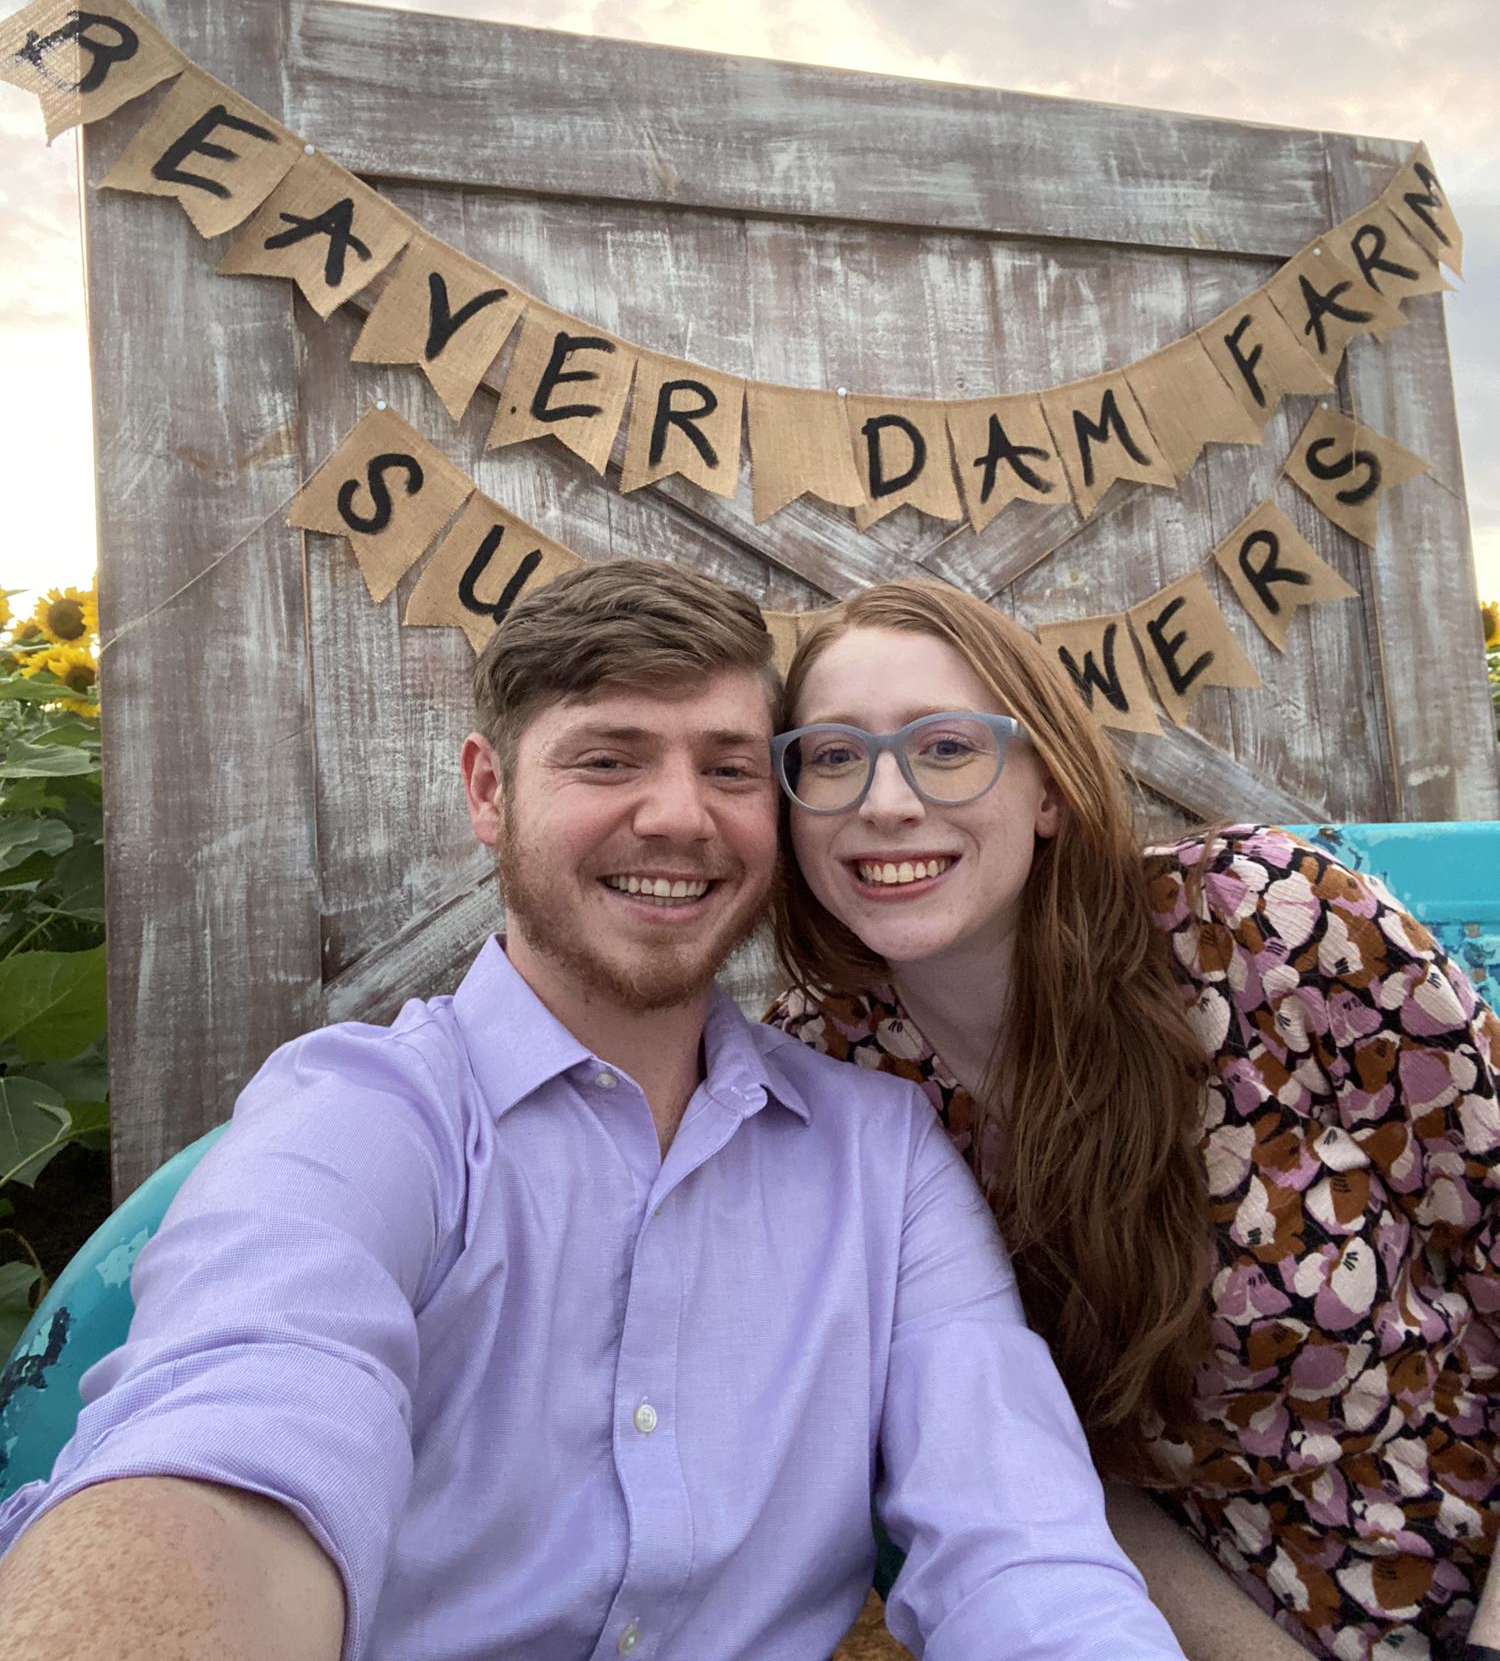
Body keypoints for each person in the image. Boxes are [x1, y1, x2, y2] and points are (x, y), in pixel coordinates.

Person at [0, 560, 1183, 1661]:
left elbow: (1022, 1544)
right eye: (609, 759)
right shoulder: (362, 1116)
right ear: (488, 789)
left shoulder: (883, 1151)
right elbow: (232, 1434)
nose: (680, 815)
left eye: (728, 767)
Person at [766, 578, 1500, 1661]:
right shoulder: (827, 1076)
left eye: (948, 745)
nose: (884, 800)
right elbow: (1029, 1461)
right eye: (832, 756)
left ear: (1049, 789)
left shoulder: (1265, 924)